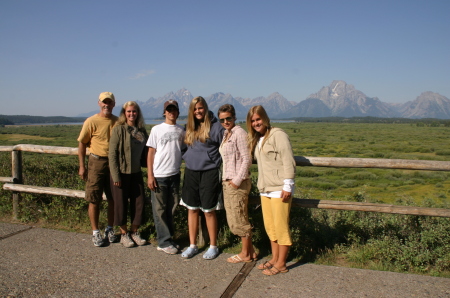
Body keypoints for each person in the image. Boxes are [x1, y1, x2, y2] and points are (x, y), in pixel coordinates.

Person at [246, 105, 296, 276]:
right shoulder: (258, 138)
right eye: (252, 121)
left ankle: (281, 264)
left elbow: (288, 159)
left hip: (279, 189)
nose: (256, 123)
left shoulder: (278, 135)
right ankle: (275, 258)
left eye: (258, 119)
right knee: (270, 227)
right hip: (265, 189)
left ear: (265, 118)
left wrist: (288, 184)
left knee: (281, 227)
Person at [180, 96, 224, 259]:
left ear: (205, 108)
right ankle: (192, 245)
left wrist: (215, 161)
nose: (198, 111)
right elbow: (184, 148)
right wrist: (188, 158)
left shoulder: (216, 127)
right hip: (191, 172)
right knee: (191, 209)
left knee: (209, 210)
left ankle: (213, 246)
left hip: (209, 172)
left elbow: (225, 147)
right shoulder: (189, 127)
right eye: (195, 108)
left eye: (200, 108)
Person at [217, 104, 257, 263]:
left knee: (239, 219)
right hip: (229, 182)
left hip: (236, 183)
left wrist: (236, 181)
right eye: (222, 119)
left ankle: (245, 254)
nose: (226, 121)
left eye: (228, 118)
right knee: (236, 217)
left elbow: (247, 159)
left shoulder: (239, 133)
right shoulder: (227, 133)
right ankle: (251, 251)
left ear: (234, 117)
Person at [78, 92, 118, 247]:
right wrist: (82, 166)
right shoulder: (91, 121)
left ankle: (110, 228)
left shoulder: (117, 121)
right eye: (104, 102)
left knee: (113, 198)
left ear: (114, 104)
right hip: (96, 161)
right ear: (99, 103)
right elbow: (82, 143)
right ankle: (95, 232)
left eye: (109, 102)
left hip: (113, 163)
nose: (106, 105)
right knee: (94, 198)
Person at [147, 100, 186, 254]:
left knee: (172, 207)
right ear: (164, 112)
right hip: (159, 175)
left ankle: (168, 238)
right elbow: (150, 153)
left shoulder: (181, 130)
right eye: (168, 110)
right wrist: (150, 175)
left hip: (174, 174)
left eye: (174, 110)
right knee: (160, 209)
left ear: (177, 112)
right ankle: (163, 242)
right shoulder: (156, 129)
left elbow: (184, 149)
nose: (171, 112)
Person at [109, 101, 148, 248]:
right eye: (129, 111)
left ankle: (134, 232)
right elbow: (112, 154)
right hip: (121, 173)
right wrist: (116, 175)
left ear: (138, 113)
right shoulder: (119, 129)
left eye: (134, 111)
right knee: (120, 204)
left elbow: (148, 150)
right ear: (124, 113)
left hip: (136, 172)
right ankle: (124, 234)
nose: (131, 114)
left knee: (139, 202)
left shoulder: (141, 131)